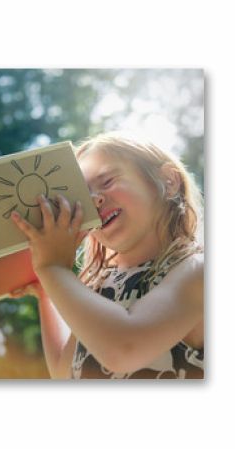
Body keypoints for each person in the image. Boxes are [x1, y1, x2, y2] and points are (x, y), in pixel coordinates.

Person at [10, 132, 204, 379]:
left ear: (168, 180)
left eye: (107, 181)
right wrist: (48, 293)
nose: (95, 199)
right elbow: (63, 371)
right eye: (83, 194)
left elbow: (125, 348)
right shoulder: (98, 286)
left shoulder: (196, 271)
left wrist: (52, 268)